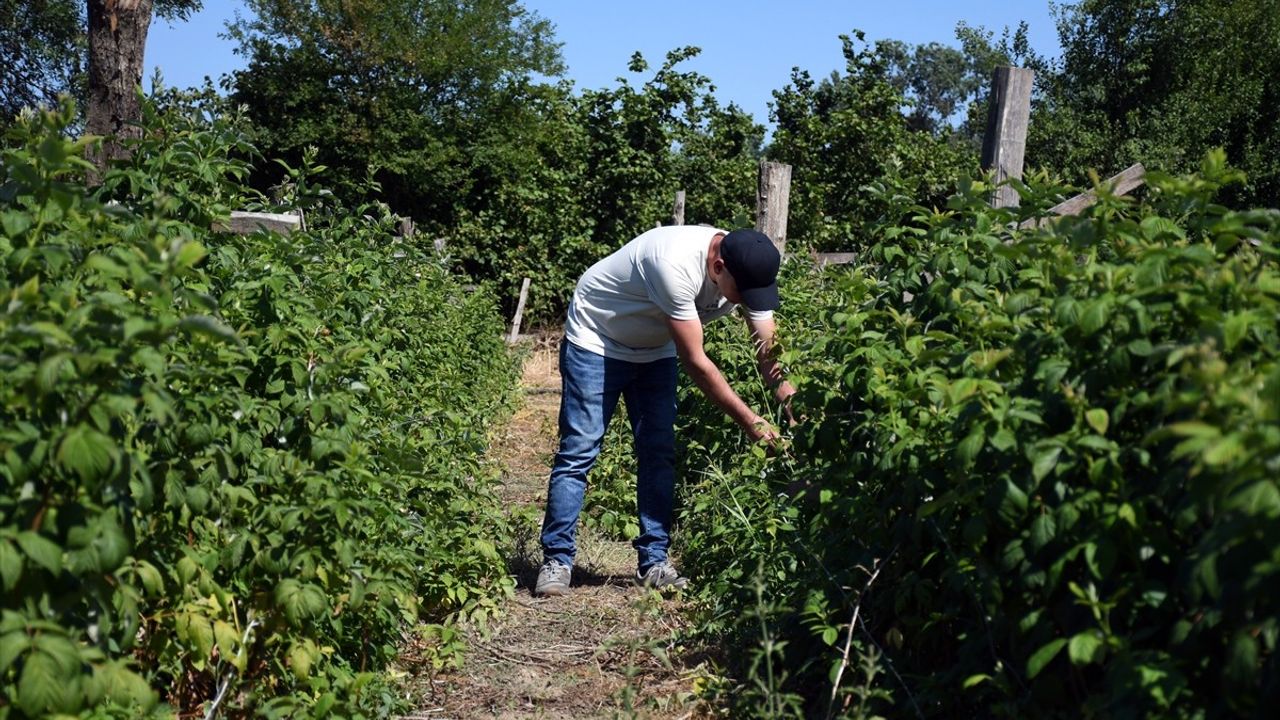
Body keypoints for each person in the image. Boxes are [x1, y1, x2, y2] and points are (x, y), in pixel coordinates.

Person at [535, 225, 796, 596]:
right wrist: (751, 422)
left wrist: (794, 406)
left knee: (658, 452)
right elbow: (695, 361)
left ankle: (653, 562)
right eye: (743, 294)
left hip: (654, 347)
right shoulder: (672, 263)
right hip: (597, 338)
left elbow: (768, 353)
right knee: (580, 448)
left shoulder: (747, 267)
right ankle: (557, 559)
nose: (746, 302)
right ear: (718, 266)